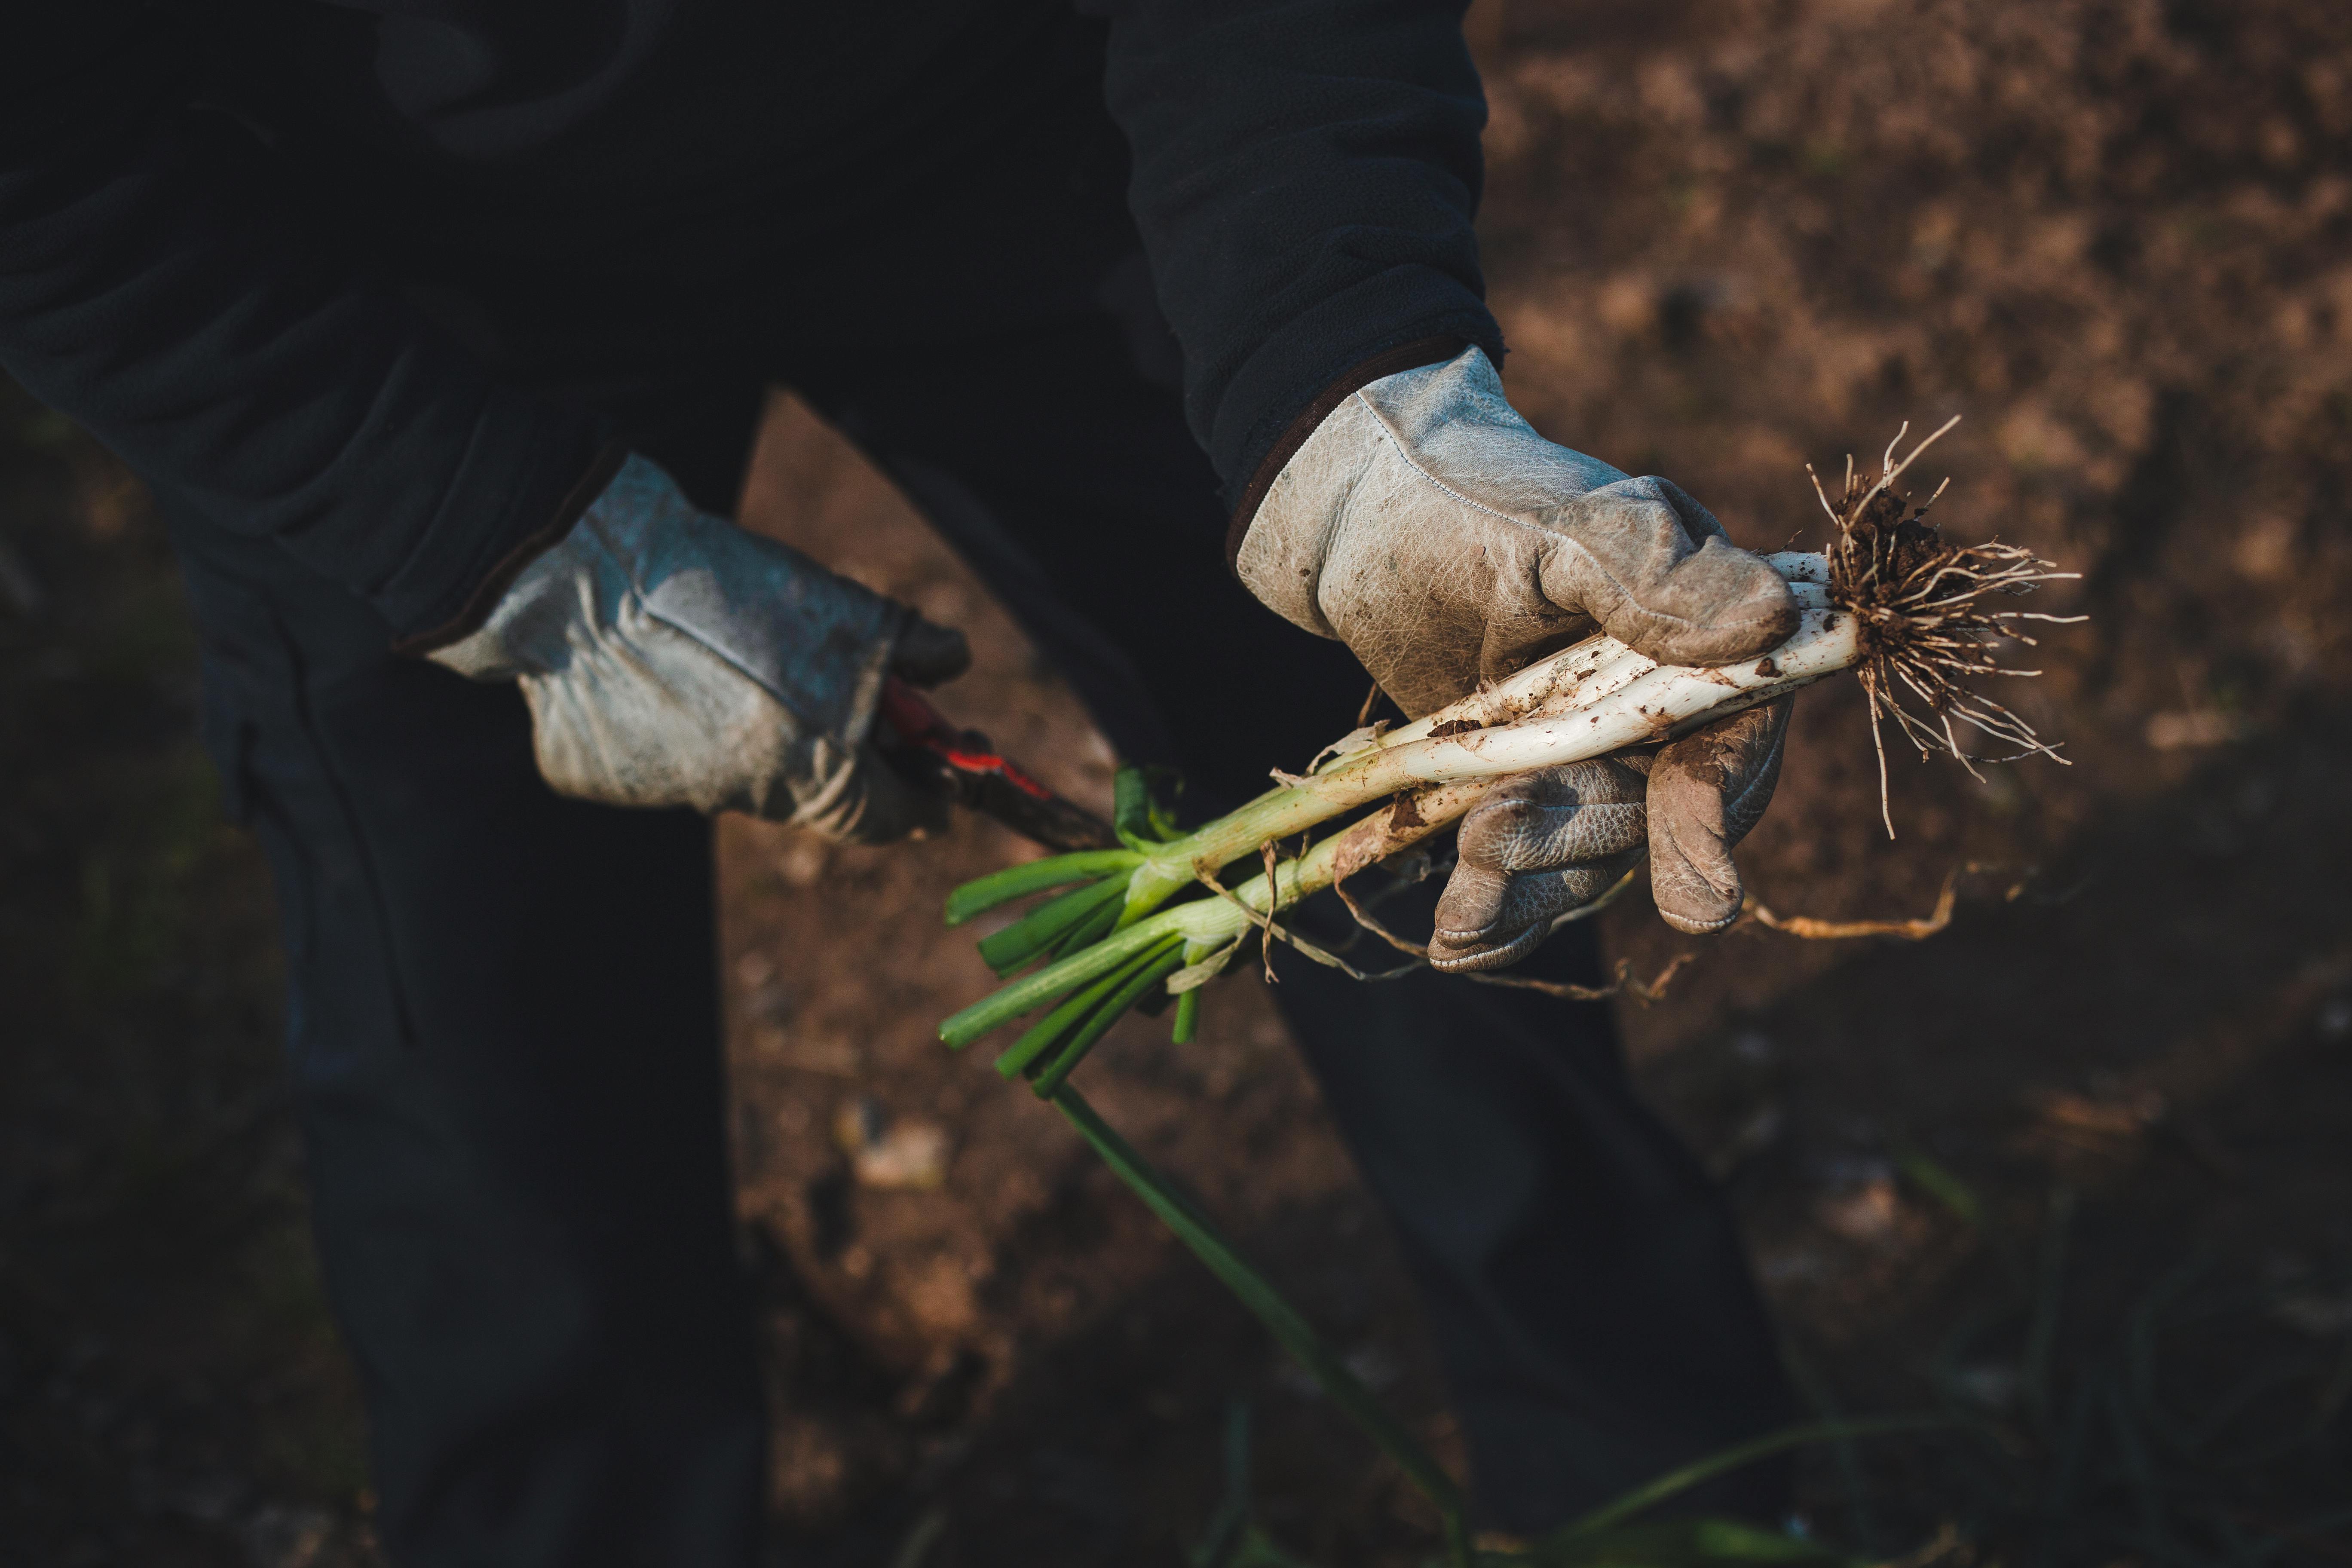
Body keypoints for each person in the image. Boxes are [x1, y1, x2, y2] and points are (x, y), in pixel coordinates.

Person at [3, 2, 1800, 1560]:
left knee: (1390, 765)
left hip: (1004, 111)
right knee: (480, 1060)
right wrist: (483, 543)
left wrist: (1345, 376)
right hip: (349, 259)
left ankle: (1669, 1498)